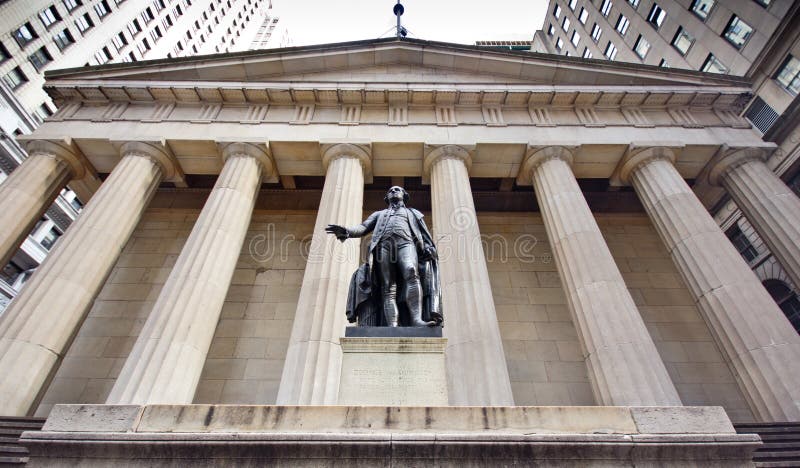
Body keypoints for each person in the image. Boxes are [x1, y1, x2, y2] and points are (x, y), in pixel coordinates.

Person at [326, 186, 442, 327]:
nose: (393, 191)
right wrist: (347, 231)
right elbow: (363, 227)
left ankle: (416, 319)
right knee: (388, 286)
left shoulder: (413, 213)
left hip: (406, 244)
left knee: (412, 272)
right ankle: (392, 325)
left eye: (397, 189)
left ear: (404, 195)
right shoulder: (379, 214)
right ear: (386, 197)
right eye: (390, 191)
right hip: (383, 247)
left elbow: (423, 233)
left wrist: (429, 247)